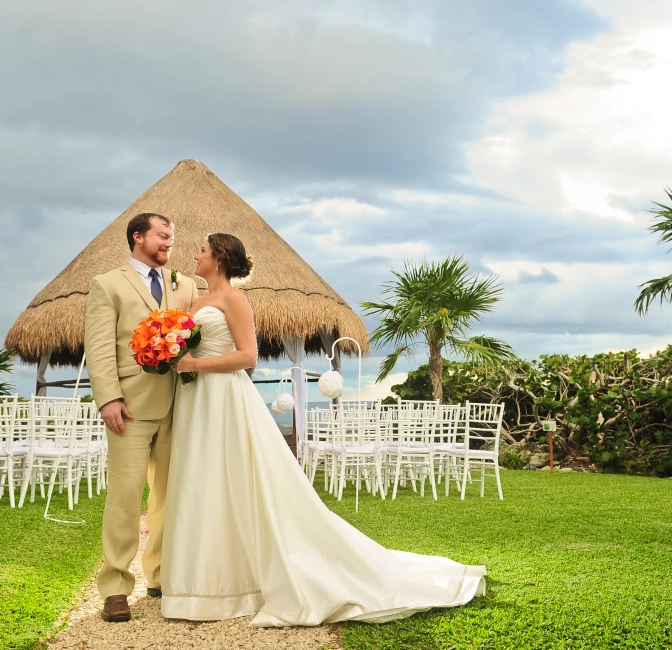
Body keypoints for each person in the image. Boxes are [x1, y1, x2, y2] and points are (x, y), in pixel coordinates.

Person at [160, 233, 486, 627]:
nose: (195, 255)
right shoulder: (195, 300)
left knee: (238, 478)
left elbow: (248, 355)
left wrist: (195, 366)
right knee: (201, 480)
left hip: (225, 397)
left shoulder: (234, 299)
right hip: (195, 401)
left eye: (203, 251)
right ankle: (205, 583)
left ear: (221, 259)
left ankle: (245, 585)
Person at [84, 212, 198, 622]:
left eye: (172, 236)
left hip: (178, 406)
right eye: (162, 235)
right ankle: (115, 586)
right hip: (128, 409)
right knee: (125, 498)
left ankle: (161, 576)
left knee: (169, 497)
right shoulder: (107, 284)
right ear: (138, 237)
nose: (170, 242)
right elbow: (98, 347)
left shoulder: (184, 284)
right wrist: (108, 398)